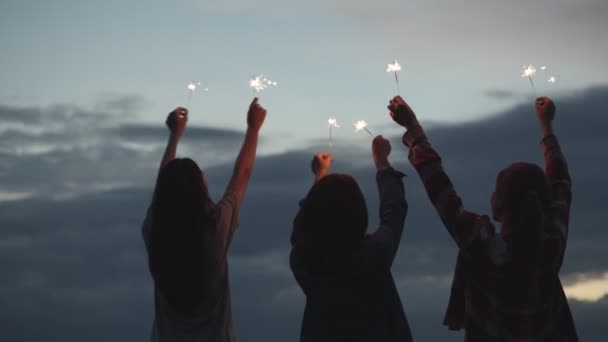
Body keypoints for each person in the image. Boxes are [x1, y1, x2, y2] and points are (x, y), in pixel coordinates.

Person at [387, 95, 577, 341]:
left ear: (498, 207)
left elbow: (439, 187)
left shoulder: (480, 245)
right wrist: (547, 127)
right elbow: (561, 183)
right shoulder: (552, 245)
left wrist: (412, 129)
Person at [142, 98, 267, 342]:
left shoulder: (155, 231)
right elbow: (243, 174)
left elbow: (163, 191)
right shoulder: (216, 228)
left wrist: (174, 136)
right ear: (201, 187)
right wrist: (253, 129)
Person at [290, 136, 413, 342]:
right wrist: (381, 159)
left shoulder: (303, 263)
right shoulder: (373, 255)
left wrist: (320, 176)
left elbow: (310, 225)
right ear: (359, 213)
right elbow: (394, 209)